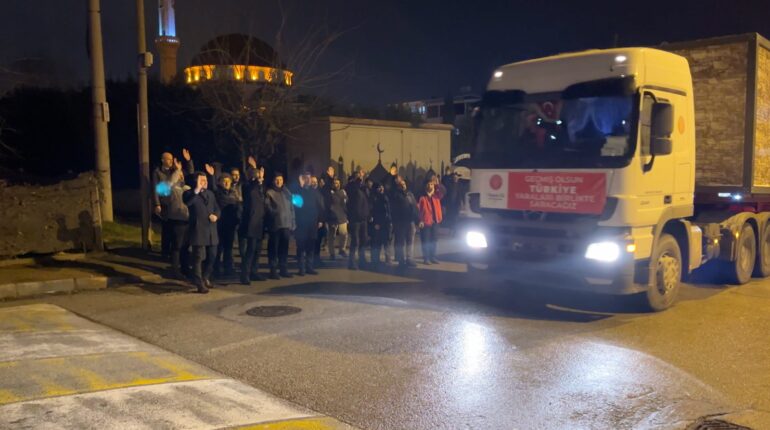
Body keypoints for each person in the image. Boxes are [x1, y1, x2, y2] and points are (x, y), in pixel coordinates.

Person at [183, 171, 220, 293]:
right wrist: (197, 189)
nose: (205, 182)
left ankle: (206, 277)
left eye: (206, 180)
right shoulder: (189, 193)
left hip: (211, 230)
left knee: (212, 256)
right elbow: (188, 203)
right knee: (198, 257)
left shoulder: (211, 194)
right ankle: (199, 283)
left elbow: (217, 208)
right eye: (202, 180)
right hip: (198, 229)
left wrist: (216, 215)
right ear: (196, 181)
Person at [153, 148, 193, 257]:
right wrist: (157, 204)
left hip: (177, 202)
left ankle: (175, 252)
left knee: (176, 229)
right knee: (166, 228)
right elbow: (156, 188)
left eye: (172, 159)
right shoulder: (158, 172)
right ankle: (165, 252)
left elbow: (190, 174)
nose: (171, 161)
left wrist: (188, 161)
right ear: (163, 160)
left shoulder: (175, 170)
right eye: (168, 159)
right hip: (165, 202)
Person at [239, 156, 267, 284]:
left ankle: (254, 271)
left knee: (257, 250)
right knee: (250, 250)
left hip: (260, 222)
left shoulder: (259, 187)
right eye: (256, 175)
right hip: (251, 222)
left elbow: (261, 194)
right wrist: (255, 168)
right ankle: (245, 275)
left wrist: (260, 180)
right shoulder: (247, 186)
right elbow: (252, 187)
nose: (259, 177)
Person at [266, 172, 295, 279]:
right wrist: (276, 214)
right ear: (273, 181)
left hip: (286, 225)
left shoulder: (286, 193)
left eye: (281, 180)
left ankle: (283, 269)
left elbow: (291, 208)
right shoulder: (269, 193)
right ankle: (273, 270)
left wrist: (293, 222)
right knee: (273, 248)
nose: (279, 182)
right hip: (275, 225)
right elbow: (267, 207)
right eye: (277, 180)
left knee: (284, 248)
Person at [294, 172, 324, 276]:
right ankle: (301, 268)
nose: (307, 180)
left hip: (312, 224)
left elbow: (320, 207)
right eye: (305, 178)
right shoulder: (298, 191)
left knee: (311, 247)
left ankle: (309, 267)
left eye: (309, 178)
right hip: (301, 224)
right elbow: (295, 206)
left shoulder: (315, 192)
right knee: (301, 247)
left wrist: (320, 220)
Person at [213, 173, 241, 278]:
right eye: (224, 181)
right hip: (219, 225)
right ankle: (216, 269)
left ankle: (228, 268)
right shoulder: (217, 193)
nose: (226, 183)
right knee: (218, 248)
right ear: (219, 182)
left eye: (228, 181)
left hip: (231, 225)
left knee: (228, 249)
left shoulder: (234, 193)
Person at [390, 176, 419, 268]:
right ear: (398, 186)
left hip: (410, 222)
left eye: (404, 184)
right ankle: (401, 259)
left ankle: (409, 258)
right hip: (400, 222)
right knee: (400, 242)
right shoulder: (396, 195)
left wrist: (418, 220)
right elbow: (393, 209)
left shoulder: (410, 194)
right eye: (401, 184)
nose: (403, 186)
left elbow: (415, 207)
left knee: (410, 241)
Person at [345, 168, 370, 270]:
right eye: (359, 174)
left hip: (363, 219)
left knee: (363, 240)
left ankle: (362, 260)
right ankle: (351, 262)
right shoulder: (351, 186)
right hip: (355, 219)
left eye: (362, 175)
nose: (361, 176)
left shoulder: (362, 188)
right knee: (355, 241)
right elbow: (351, 191)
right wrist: (357, 180)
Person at [418, 181, 443, 265]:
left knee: (434, 240)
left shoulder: (436, 196)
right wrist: (420, 220)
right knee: (426, 241)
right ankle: (426, 258)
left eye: (431, 184)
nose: (430, 185)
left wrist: (437, 184)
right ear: (425, 186)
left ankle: (433, 257)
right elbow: (418, 210)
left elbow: (444, 191)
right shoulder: (422, 197)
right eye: (428, 184)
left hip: (435, 221)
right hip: (425, 222)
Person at [326, 177, 348, 260]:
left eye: (338, 183)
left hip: (342, 216)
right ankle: (332, 253)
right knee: (332, 236)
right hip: (332, 217)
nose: (337, 185)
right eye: (335, 183)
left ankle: (342, 249)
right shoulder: (330, 193)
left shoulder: (343, 192)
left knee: (344, 234)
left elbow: (346, 204)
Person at [370, 183, 391, 268]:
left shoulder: (385, 197)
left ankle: (388, 258)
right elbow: (373, 211)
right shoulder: (374, 198)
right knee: (377, 242)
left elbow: (388, 210)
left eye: (382, 187)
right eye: (379, 187)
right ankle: (375, 259)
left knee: (387, 241)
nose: (381, 188)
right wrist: (376, 223)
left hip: (386, 223)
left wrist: (390, 221)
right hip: (378, 223)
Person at [310, 176, 327, 267]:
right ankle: (311, 261)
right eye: (313, 181)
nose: (314, 183)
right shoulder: (308, 192)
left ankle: (317, 259)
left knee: (318, 242)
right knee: (312, 242)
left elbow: (322, 208)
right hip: (311, 221)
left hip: (320, 221)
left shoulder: (320, 192)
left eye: (316, 181)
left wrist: (321, 220)